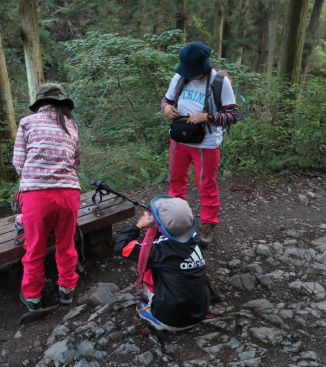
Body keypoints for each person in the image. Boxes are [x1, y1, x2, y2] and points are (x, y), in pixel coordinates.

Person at [161, 42, 238, 247]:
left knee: (206, 183)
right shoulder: (180, 78)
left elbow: (233, 115)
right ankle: (175, 221)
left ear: (203, 66)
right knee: (175, 180)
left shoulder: (219, 81)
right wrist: (167, 108)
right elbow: (166, 100)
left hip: (206, 143)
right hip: (179, 139)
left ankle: (208, 223)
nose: (188, 74)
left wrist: (208, 116)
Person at [13, 83, 81, 312]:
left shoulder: (27, 122)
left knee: (34, 247)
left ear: (40, 104)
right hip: (69, 194)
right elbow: (75, 162)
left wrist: (35, 178)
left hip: (37, 196)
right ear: (63, 104)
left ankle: (32, 297)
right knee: (66, 244)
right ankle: (67, 290)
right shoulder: (72, 125)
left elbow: (18, 164)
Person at [114, 195, 210, 331]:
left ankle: (157, 320)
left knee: (148, 289)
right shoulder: (195, 240)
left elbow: (121, 247)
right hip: (200, 313)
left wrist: (138, 225)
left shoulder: (159, 250)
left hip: (171, 321)